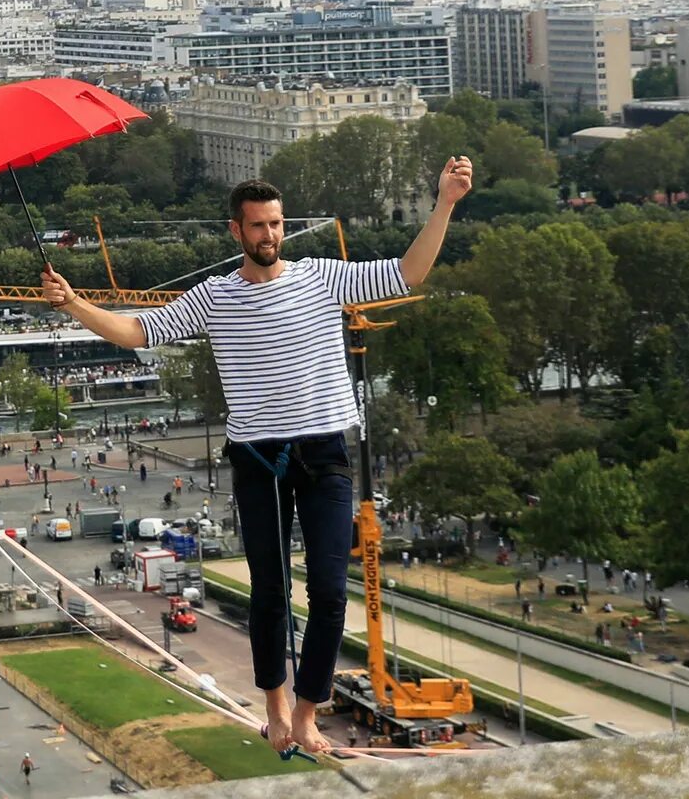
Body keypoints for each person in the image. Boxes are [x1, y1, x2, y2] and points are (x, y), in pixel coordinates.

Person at [43, 160, 472, 759]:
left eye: (276, 225)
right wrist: (74, 305)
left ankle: (305, 715)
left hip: (325, 455)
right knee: (269, 591)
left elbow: (407, 273)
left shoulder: (325, 278)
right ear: (235, 232)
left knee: (328, 594)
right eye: (258, 227)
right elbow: (138, 331)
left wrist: (445, 204)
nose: (269, 236)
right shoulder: (214, 298)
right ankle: (273, 712)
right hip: (258, 460)